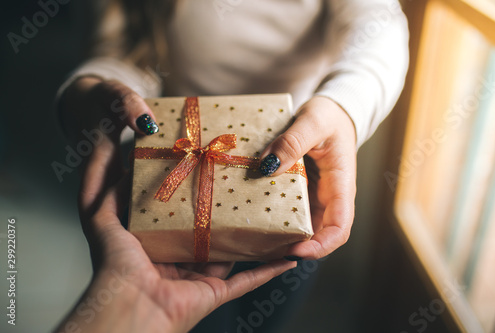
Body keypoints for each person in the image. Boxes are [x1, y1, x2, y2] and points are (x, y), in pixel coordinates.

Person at [56, 0, 409, 332]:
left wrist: (345, 108)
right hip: (174, 195)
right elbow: (124, 52)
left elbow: (379, 26)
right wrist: (94, 92)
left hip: (292, 186)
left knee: (269, 313)